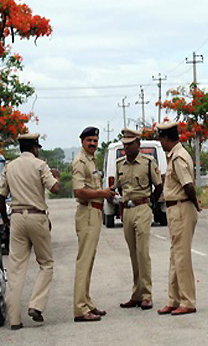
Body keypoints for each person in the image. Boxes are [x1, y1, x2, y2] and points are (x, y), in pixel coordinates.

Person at [0, 133, 61, 330]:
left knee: (16, 269)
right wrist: (57, 177)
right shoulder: (40, 165)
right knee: (46, 263)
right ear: (34, 148)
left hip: (16, 217)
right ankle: (36, 305)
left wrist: (6, 221)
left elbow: (1, 197)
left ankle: (14, 320)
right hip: (37, 216)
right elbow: (55, 188)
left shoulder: (9, 167)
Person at [155, 121, 201, 316]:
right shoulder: (174, 155)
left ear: (166, 138)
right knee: (175, 256)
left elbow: (187, 184)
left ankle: (187, 301)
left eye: (161, 139)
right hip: (175, 208)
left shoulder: (178, 157)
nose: (161, 143)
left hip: (182, 207)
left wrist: (196, 203)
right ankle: (174, 299)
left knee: (182, 257)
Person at [115, 128, 163, 310]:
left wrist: (151, 204)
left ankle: (147, 295)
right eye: (124, 144)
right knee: (133, 254)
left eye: (130, 144)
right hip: (127, 210)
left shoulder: (148, 162)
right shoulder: (120, 164)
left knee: (143, 253)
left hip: (143, 208)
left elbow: (158, 186)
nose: (126, 148)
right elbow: (118, 187)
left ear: (138, 144)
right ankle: (136, 294)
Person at [72, 126, 116, 322]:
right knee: (84, 261)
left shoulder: (92, 160)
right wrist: (101, 193)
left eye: (95, 141)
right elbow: (78, 191)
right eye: (89, 140)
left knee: (89, 260)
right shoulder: (80, 162)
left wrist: (105, 193)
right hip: (87, 212)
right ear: (82, 141)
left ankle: (86, 301)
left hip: (95, 212)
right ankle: (80, 308)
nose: (92, 143)